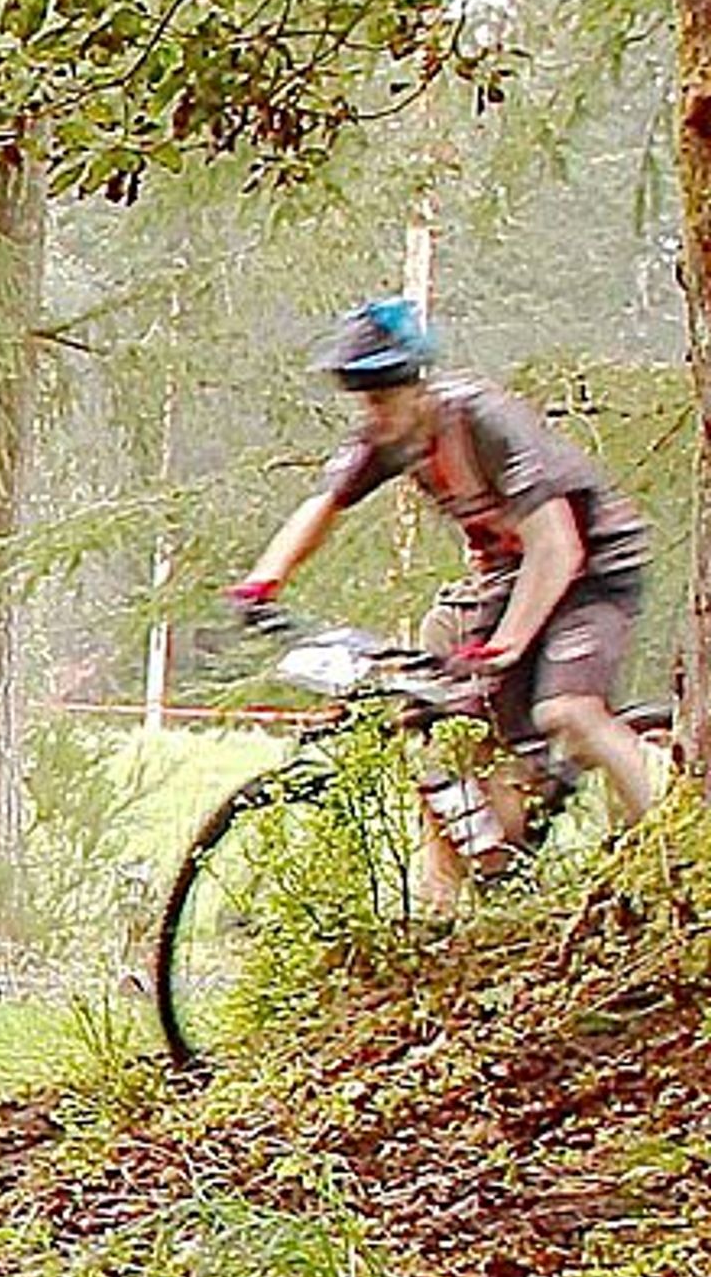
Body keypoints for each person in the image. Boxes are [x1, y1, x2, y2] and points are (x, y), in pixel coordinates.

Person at [230, 296, 662, 891]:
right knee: (448, 751)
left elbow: (558, 547)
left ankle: (675, 862)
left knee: (568, 712)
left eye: (382, 399)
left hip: (592, 569)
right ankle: (447, 911)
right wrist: (262, 582)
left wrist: (506, 646)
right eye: (364, 401)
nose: (372, 416)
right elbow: (322, 506)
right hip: (507, 578)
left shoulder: (483, 421)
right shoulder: (389, 436)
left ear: (418, 387)